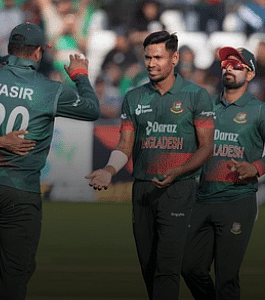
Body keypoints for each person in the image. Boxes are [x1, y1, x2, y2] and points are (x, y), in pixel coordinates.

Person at [0, 22, 100, 299]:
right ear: (37, 52)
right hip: (18, 187)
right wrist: (81, 76)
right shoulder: (49, 90)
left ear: (10, 48)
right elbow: (92, 109)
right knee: (16, 269)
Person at [85, 30, 214, 300]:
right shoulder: (134, 97)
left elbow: (207, 147)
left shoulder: (195, 96)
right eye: (147, 57)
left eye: (158, 57)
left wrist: (179, 170)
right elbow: (124, 145)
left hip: (179, 189)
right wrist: (109, 171)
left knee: (167, 268)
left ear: (175, 58)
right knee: (149, 268)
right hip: (143, 191)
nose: (152, 63)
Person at [180, 46, 265, 300]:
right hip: (204, 198)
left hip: (237, 200)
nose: (229, 69)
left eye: (237, 66)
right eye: (227, 64)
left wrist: (256, 167)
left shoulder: (259, 110)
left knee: (226, 277)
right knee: (189, 267)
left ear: (250, 75)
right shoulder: (207, 107)